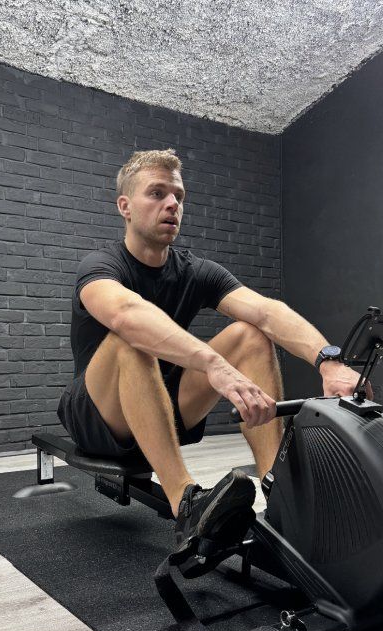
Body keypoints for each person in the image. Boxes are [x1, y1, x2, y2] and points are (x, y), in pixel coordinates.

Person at [57, 149, 364, 552]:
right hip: (97, 416)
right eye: (157, 193)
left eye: (179, 196)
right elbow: (125, 313)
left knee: (250, 335)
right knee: (130, 340)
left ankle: (280, 493)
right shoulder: (100, 265)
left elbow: (267, 311)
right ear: (125, 207)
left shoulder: (194, 270)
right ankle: (185, 503)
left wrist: (329, 361)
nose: (172, 204)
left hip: (164, 402)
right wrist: (213, 364)